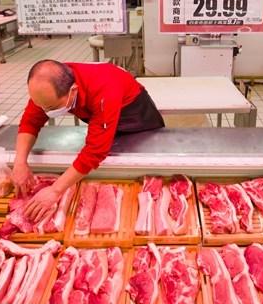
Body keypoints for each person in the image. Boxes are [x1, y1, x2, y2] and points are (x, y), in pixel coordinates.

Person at [14, 60, 164, 222]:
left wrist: (55, 191)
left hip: (134, 115)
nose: (45, 111)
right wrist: (20, 162)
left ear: (73, 91)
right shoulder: (48, 83)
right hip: (104, 111)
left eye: (50, 107)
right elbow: (30, 121)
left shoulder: (104, 89)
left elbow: (95, 151)